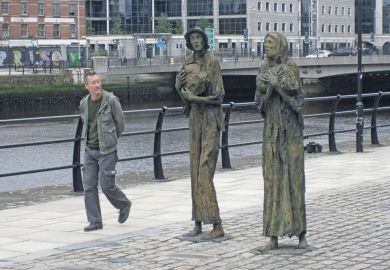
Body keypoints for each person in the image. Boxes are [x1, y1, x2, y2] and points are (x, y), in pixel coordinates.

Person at [254, 32, 307, 250]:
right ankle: (273, 236)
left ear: (281, 46)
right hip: (271, 134)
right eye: (265, 44)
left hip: (291, 133)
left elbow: (298, 104)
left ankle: (301, 234)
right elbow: (261, 106)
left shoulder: (291, 67)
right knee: (272, 182)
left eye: (270, 43)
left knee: (294, 181)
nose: (266, 47)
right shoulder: (263, 69)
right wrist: (269, 91)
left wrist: (277, 87)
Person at [175, 27, 225, 240]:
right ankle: (197, 222)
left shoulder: (212, 61)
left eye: (198, 38)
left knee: (204, 171)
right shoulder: (187, 62)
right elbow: (185, 93)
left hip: (210, 121)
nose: (195, 41)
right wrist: (179, 88)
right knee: (195, 170)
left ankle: (217, 225)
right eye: (192, 38)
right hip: (195, 120)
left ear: (205, 40)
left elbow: (218, 96)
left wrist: (195, 99)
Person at [80, 71, 131, 232]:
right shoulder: (84, 103)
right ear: (86, 86)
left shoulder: (111, 101)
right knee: (88, 186)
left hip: (107, 150)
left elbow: (120, 123)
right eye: (93, 83)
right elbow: (85, 122)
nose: (97, 85)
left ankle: (124, 204)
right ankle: (95, 221)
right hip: (89, 150)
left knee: (106, 185)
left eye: (98, 82)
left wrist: (111, 139)